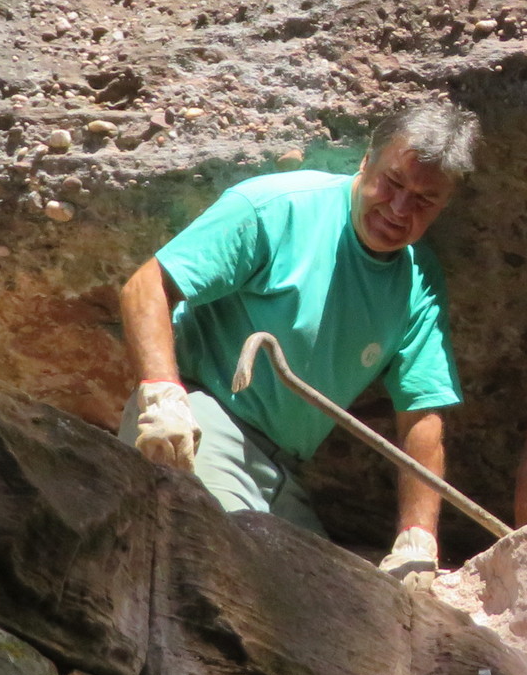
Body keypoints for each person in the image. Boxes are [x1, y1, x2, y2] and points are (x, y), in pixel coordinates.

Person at [116, 102, 475, 575]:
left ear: (444, 206)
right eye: (393, 182)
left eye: (424, 201)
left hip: (282, 470)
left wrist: (418, 537)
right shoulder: (277, 208)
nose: (400, 209)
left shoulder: (418, 277)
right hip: (205, 422)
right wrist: (162, 395)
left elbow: (422, 409)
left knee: (331, 599)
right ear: (366, 160)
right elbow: (147, 284)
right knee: (226, 573)